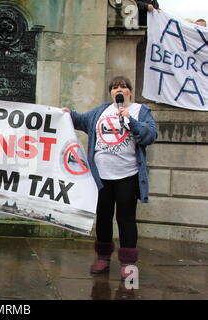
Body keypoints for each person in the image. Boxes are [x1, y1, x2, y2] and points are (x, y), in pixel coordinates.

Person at [62, 76, 157, 280]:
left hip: (128, 175)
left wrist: (130, 121)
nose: (118, 90)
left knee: (125, 218)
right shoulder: (101, 111)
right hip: (101, 177)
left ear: (130, 91)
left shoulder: (141, 111)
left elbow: (150, 135)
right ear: (111, 93)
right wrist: (67, 114)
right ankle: (103, 258)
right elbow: (80, 120)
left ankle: (128, 264)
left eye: (122, 87)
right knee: (103, 217)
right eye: (114, 88)